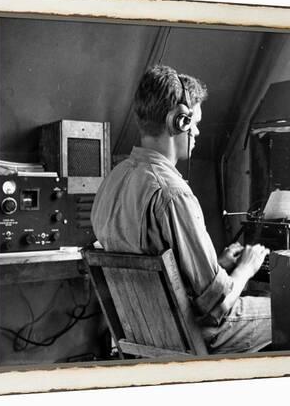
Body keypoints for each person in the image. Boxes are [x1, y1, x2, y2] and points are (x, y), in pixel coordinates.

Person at [91, 65, 271, 354]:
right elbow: (217, 306)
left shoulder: (113, 179)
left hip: (145, 334)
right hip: (194, 337)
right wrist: (247, 268)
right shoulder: (173, 194)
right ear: (179, 122)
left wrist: (220, 264)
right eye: (195, 123)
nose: (197, 132)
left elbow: (159, 268)